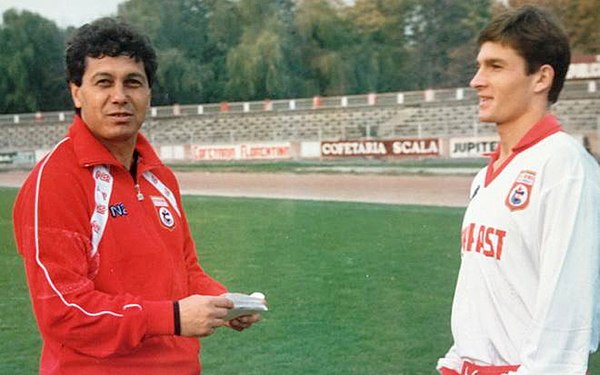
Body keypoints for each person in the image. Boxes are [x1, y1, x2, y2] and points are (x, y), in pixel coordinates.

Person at [12, 17, 261, 374]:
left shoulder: (160, 177)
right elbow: (63, 311)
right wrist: (172, 317)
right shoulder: (54, 181)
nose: (120, 97)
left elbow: (186, 271)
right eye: (103, 82)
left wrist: (224, 302)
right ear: (76, 92)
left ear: (149, 93)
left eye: (133, 83)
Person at [437, 5, 600, 375]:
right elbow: (486, 294)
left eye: (495, 67)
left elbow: (567, 322)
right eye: (479, 66)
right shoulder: (485, 176)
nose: (476, 81)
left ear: (541, 78)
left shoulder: (564, 169)